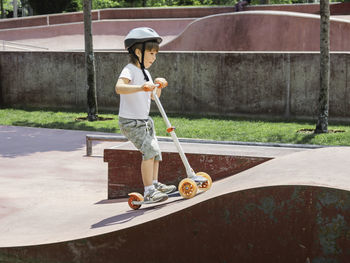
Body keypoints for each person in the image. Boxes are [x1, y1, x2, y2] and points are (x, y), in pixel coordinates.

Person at [115, 27, 176, 203]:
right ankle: (148, 190)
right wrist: (141, 87)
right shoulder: (129, 69)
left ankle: (155, 184)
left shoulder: (146, 72)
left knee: (155, 151)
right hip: (130, 122)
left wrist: (158, 86)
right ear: (137, 52)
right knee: (149, 150)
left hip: (145, 121)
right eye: (151, 53)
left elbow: (153, 96)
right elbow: (119, 88)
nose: (153, 58)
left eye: (156, 54)